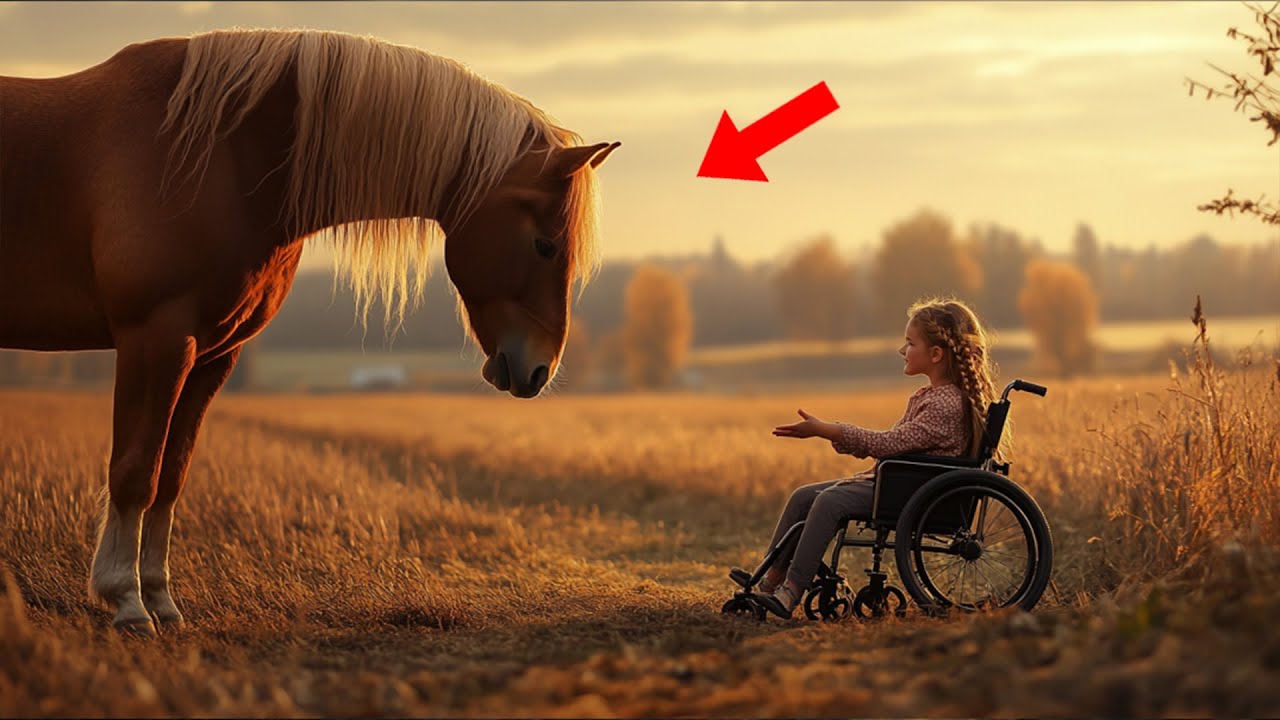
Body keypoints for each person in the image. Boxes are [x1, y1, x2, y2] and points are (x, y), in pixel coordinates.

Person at [753, 298, 1003, 619]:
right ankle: (770, 581)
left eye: (910, 343)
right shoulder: (933, 396)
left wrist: (827, 430)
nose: (903, 350)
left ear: (936, 354)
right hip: (902, 482)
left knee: (830, 502)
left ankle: (791, 591)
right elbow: (896, 444)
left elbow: (888, 444)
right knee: (804, 497)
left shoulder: (945, 405)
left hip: (911, 491)